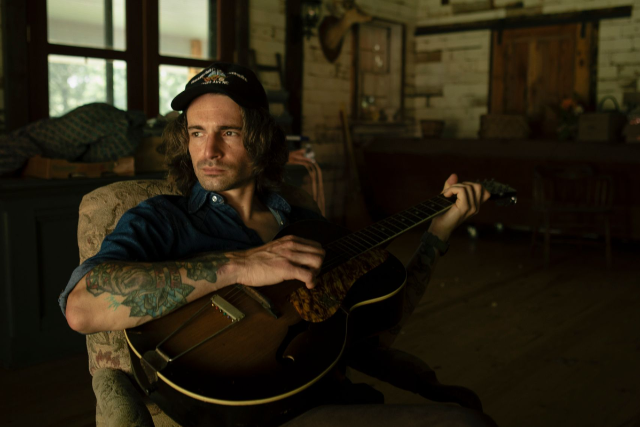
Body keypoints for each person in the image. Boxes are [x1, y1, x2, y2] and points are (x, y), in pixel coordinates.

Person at [60, 62, 496, 427]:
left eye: (228, 132)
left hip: (315, 396)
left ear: (261, 139)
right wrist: (239, 265)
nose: (208, 151)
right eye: (196, 132)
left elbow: (376, 325)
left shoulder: (305, 223)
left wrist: (438, 233)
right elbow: (82, 308)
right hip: (234, 410)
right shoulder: (162, 218)